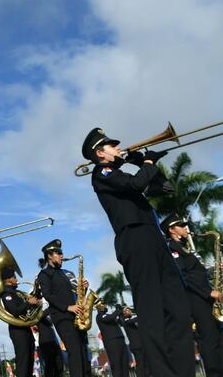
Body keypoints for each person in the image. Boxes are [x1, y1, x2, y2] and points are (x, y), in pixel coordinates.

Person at [82, 127, 195, 376]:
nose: (118, 148)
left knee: (179, 309)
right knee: (151, 310)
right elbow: (135, 183)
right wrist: (146, 162)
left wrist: (144, 165)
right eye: (112, 145)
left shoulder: (118, 173)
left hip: (153, 237)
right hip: (134, 238)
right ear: (100, 152)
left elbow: (165, 189)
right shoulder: (102, 173)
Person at [161, 214, 223, 377]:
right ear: (172, 230)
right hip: (195, 298)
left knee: (216, 335)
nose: (185, 228)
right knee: (208, 338)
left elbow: (197, 273)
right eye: (180, 225)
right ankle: (214, 373)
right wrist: (208, 292)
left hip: (204, 297)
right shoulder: (172, 248)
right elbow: (184, 277)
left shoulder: (184, 247)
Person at [36, 240, 87, 377]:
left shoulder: (65, 273)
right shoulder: (44, 274)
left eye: (61, 253)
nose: (61, 256)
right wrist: (68, 307)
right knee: (74, 350)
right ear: (49, 256)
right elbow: (48, 295)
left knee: (82, 351)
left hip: (76, 315)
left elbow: (74, 294)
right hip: (62, 316)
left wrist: (83, 289)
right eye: (58, 253)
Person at [0, 267, 40, 377]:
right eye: (14, 277)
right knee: (23, 361)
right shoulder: (7, 294)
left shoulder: (16, 293)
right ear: (8, 280)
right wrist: (28, 303)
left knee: (30, 360)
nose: (16, 279)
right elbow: (15, 310)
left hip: (25, 329)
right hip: (17, 330)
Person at [94, 303, 129, 377]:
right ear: (99, 307)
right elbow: (110, 317)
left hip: (120, 340)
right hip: (112, 342)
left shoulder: (110, 316)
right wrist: (118, 310)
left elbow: (122, 323)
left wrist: (121, 313)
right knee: (117, 366)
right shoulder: (100, 316)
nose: (105, 306)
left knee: (124, 364)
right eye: (103, 304)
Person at [121, 306, 148, 377]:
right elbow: (135, 319)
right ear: (124, 313)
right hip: (136, 346)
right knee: (140, 364)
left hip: (140, 344)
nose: (129, 311)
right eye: (127, 310)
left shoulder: (130, 320)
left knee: (144, 362)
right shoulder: (125, 320)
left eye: (129, 310)